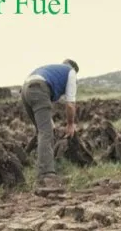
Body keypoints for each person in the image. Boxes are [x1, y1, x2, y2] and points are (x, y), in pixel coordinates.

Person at [21, 59, 79, 194]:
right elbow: (70, 104)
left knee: (42, 131)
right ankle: (46, 176)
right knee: (46, 133)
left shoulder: (51, 69)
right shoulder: (71, 72)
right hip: (38, 89)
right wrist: (70, 124)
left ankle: (26, 159)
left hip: (25, 90)